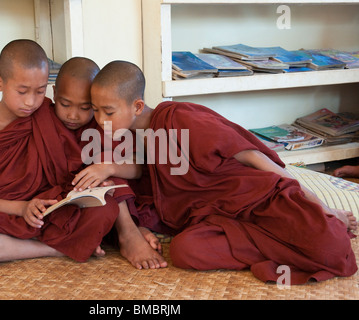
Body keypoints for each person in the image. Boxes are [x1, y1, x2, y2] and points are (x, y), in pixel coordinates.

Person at [88, 60, 358, 284]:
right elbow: (151, 176)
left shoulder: (180, 119)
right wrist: (110, 168)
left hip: (257, 201)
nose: (100, 120)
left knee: (332, 248)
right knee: (184, 251)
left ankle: (302, 234)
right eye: (96, 110)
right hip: (215, 219)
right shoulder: (127, 135)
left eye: (107, 112)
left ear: (136, 106)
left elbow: (250, 155)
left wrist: (321, 206)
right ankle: (275, 248)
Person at [0, 40, 128, 274]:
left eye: (40, 91)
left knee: (105, 208)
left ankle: (50, 242)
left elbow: (73, 168)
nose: (31, 101)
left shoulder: (52, 114)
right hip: (3, 214)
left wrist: (93, 186)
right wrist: (22, 208)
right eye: (22, 91)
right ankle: (54, 249)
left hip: (51, 213)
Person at [51, 56, 167, 269]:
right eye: (65, 104)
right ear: (54, 95)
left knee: (106, 168)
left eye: (86, 107)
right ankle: (126, 229)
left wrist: (108, 167)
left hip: (113, 195)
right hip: (66, 199)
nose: (73, 115)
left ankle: (128, 233)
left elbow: (140, 168)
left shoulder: (107, 126)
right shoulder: (45, 122)